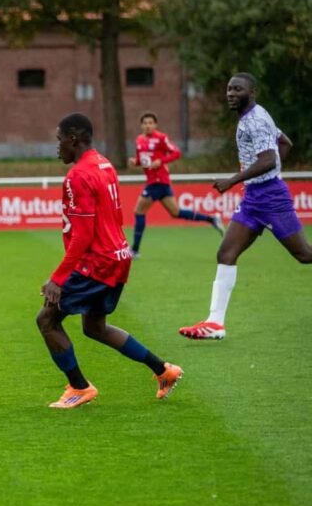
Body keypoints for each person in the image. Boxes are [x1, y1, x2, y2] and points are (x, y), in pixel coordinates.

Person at [37, 113, 182, 408]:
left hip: (97, 262)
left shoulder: (77, 176)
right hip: (118, 257)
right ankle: (163, 370)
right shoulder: (104, 163)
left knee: (47, 320)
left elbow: (83, 236)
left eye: (59, 139)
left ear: (73, 138)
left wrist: (58, 278)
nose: (57, 146)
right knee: (95, 327)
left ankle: (79, 387)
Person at [179, 73, 312, 340]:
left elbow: (268, 159)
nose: (230, 93)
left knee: (304, 255)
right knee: (226, 253)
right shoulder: (252, 117)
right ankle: (215, 324)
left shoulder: (256, 120)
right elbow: (285, 143)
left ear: (252, 93)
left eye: (237, 89)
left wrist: (233, 180)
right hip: (254, 198)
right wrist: (265, 176)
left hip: (271, 198)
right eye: (229, 89)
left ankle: (215, 323)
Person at [128, 112, 223, 257]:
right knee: (176, 212)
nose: (147, 125)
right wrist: (135, 162)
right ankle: (211, 219)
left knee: (139, 211)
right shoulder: (139, 140)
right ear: (141, 125)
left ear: (155, 125)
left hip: (158, 181)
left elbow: (176, 153)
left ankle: (134, 250)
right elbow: (143, 161)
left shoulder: (161, 138)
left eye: (150, 123)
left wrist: (161, 161)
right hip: (157, 182)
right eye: (145, 123)